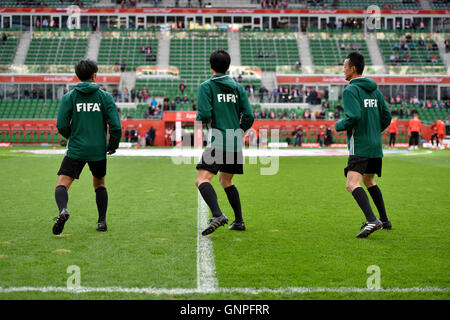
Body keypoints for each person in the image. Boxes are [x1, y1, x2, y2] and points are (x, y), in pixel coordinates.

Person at [52, 59, 122, 235]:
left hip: (76, 149)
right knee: (99, 185)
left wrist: (72, 136)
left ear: (77, 76)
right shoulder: (105, 96)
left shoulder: (69, 97)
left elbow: (61, 125)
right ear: (94, 75)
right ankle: (101, 222)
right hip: (98, 150)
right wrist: (112, 145)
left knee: (62, 184)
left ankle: (63, 210)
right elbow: (115, 126)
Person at [195, 50, 254, 236]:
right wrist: (238, 131)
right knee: (226, 180)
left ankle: (218, 215)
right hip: (234, 140)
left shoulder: (206, 86)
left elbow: (204, 115)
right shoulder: (238, 87)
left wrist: (201, 120)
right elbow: (249, 116)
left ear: (210, 65)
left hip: (218, 139)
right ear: (228, 67)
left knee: (201, 179)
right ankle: (239, 221)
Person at [334, 52, 392, 239]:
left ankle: (372, 220)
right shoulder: (375, 90)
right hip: (375, 145)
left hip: (359, 145)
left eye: (345, 67)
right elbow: (387, 117)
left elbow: (355, 116)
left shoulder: (351, 90)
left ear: (353, 68)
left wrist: (338, 125)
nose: (343, 70)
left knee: (352, 184)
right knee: (369, 181)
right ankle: (384, 220)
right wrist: (374, 131)